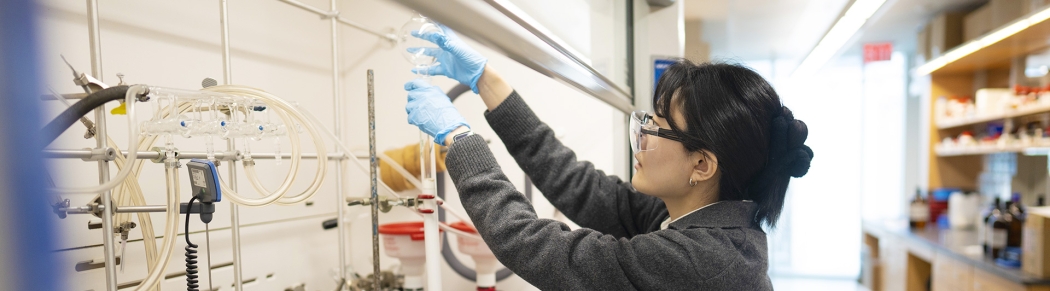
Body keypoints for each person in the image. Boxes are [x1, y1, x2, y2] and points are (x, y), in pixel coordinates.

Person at [401, 25, 813, 290]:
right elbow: (576, 183)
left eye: (655, 128)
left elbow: (536, 247)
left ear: (701, 165)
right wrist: (488, 83)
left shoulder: (701, 261)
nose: (640, 139)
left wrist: (459, 138)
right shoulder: (698, 219)